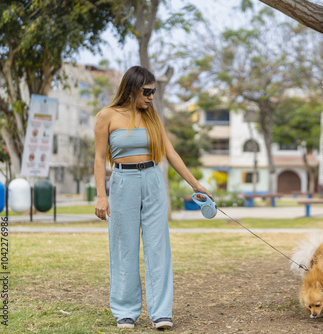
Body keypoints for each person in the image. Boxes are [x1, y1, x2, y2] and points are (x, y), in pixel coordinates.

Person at [93, 65, 211, 329]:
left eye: (153, 92)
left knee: (158, 247)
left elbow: (170, 153)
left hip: (153, 180)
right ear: (132, 88)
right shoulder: (107, 116)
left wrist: (196, 185)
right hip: (123, 181)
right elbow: (99, 158)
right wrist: (102, 196)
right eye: (147, 91)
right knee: (124, 247)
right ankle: (125, 310)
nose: (150, 97)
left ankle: (161, 312)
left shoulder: (152, 117)